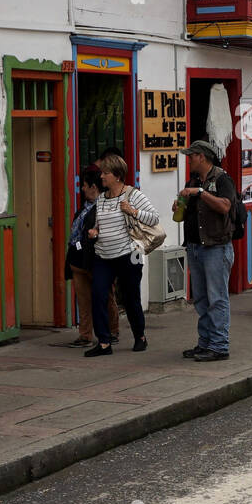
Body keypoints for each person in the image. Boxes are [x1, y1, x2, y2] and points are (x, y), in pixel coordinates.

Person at [86, 153, 158, 357]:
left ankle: (140, 337)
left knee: (130, 297)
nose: (101, 177)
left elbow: (153, 218)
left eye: (105, 173)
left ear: (117, 176)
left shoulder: (133, 195)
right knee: (98, 295)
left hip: (128, 255)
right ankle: (104, 343)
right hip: (103, 255)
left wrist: (134, 212)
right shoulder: (101, 199)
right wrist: (95, 232)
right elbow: (100, 224)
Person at [175, 140, 238, 361]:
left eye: (191, 156)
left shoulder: (222, 179)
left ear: (202, 156)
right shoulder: (194, 180)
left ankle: (220, 346)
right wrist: (180, 205)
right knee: (201, 298)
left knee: (217, 297)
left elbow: (225, 206)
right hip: (195, 247)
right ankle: (205, 343)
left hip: (216, 247)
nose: (189, 160)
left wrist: (200, 192)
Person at [65, 166, 119, 347]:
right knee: (83, 300)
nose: (82, 189)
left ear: (94, 187)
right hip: (78, 261)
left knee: (105, 297)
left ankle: (112, 330)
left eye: (85, 185)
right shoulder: (84, 209)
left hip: (98, 259)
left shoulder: (104, 207)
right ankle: (85, 333)